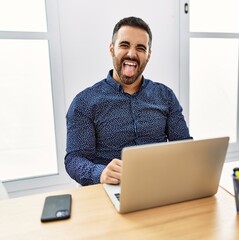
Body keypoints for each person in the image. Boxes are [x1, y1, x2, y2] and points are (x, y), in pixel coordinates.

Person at [65, 16, 191, 186]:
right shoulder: (85, 102)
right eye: (124, 45)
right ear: (111, 49)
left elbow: (184, 147)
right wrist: (100, 173)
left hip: (160, 185)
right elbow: (74, 158)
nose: (132, 54)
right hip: (110, 190)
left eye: (140, 48)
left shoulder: (165, 96)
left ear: (148, 55)